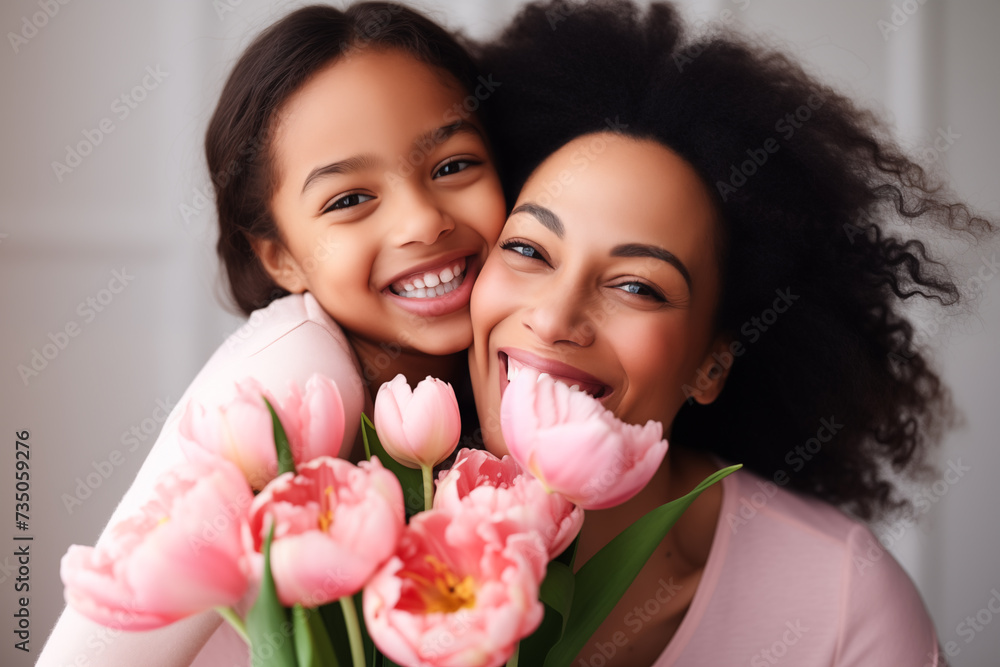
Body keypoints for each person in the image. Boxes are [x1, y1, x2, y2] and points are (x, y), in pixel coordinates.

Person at [467, 1, 994, 664]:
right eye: (529, 250)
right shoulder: (347, 520)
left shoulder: (838, 604)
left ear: (711, 366)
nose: (553, 317)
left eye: (637, 286)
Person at [37, 3, 506, 666]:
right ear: (278, 256)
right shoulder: (302, 372)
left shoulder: (510, 375)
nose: (422, 222)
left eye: (453, 166)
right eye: (349, 199)